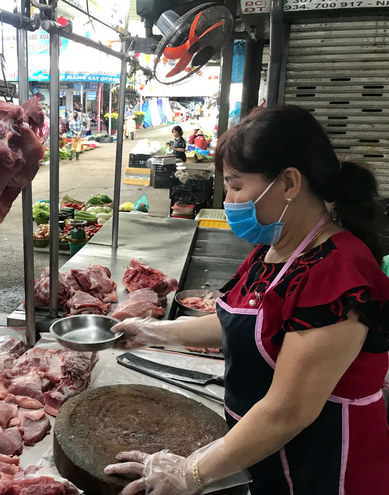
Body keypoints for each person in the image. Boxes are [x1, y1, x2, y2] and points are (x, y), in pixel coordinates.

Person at [106, 105, 389, 495]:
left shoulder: (340, 274)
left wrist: (191, 473)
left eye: (236, 185)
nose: (229, 198)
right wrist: (153, 333)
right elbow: (238, 323)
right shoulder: (273, 250)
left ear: (289, 183)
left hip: (325, 469)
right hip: (261, 455)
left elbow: (287, 412)